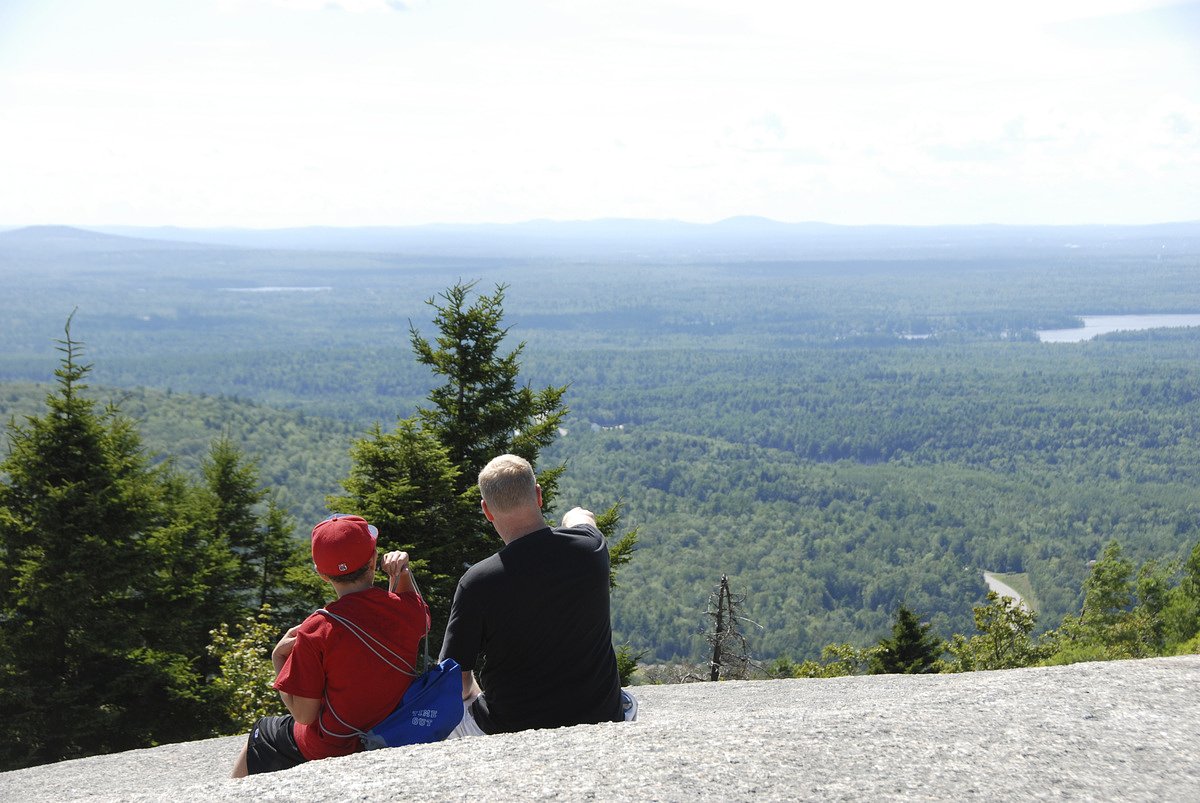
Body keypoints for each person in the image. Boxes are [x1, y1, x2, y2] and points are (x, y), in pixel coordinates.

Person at [439, 454, 636, 737]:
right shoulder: (590, 548)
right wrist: (573, 516)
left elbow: (455, 683)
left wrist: (474, 695)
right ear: (539, 495)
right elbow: (582, 517)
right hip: (602, 715)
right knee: (629, 700)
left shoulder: (477, 582)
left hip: (509, 726)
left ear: (487, 511)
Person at [231, 514, 430, 776]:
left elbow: (304, 716)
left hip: (335, 746)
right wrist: (402, 570)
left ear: (322, 575)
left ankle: (231, 793)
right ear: (374, 560)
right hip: (393, 728)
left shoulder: (316, 629)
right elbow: (418, 611)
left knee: (261, 733)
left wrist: (278, 660)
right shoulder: (406, 611)